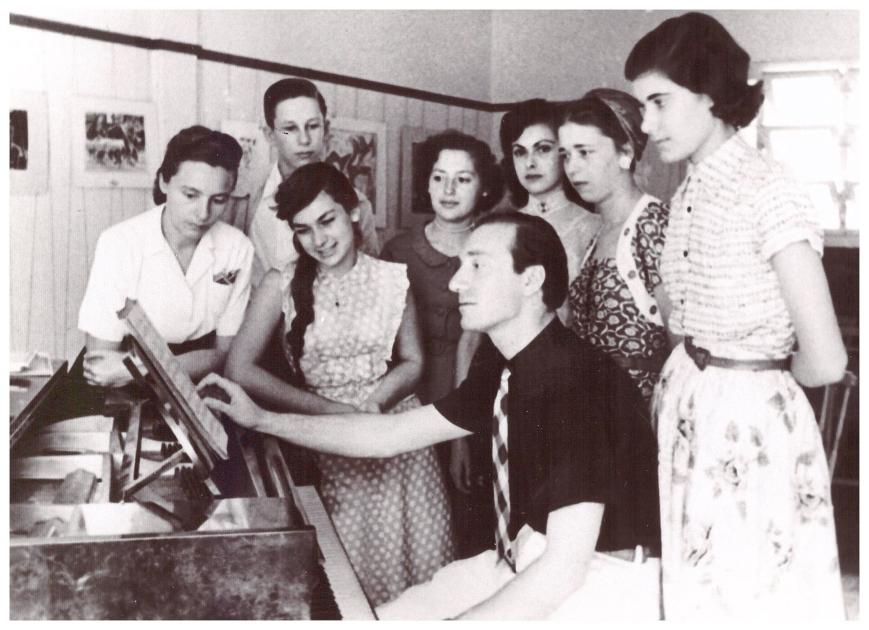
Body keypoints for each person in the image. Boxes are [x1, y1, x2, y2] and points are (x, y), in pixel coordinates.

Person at [203, 212, 661, 620]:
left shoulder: (575, 385)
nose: (457, 282)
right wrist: (261, 418)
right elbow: (389, 434)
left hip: (603, 585)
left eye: (478, 265)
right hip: (525, 556)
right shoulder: (504, 359)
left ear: (531, 279)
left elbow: (564, 571)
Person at [626, 12, 848, 619]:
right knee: (699, 594)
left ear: (708, 93)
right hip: (692, 405)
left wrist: (752, 383)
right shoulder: (689, 189)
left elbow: (826, 359)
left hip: (747, 423)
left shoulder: (767, 189)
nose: (646, 124)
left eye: (659, 103)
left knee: (748, 596)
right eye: (641, 107)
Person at [224, 162, 452, 606]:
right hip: (327, 445)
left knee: (421, 583)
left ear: (351, 210)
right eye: (304, 229)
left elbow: (414, 362)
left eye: (327, 220)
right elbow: (240, 369)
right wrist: (330, 411)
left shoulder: (391, 278)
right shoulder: (282, 283)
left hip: (399, 441)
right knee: (350, 583)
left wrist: (374, 404)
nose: (320, 240)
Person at [381, 129, 503, 558]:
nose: (448, 190)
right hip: (411, 399)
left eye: (463, 179)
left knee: (474, 524)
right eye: (439, 177)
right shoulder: (396, 251)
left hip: (479, 401)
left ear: (484, 185)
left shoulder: (499, 245)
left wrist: (461, 439)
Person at [77, 125, 252, 387]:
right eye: (190, 195)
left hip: (188, 378)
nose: (203, 213)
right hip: (124, 383)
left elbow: (224, 353)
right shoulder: (120, 243)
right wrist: (135, 370)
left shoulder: (237, 248)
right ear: (164, 182)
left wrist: (138, 367)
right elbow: (101, 364)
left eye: (218, 199)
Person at [558, 89, 672, 404]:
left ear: (625, 153)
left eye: (585, 152)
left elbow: (683, 347)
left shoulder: (653, 225)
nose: (572, 168)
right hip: (591, 416)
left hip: (639, 418)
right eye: (566, 155)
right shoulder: (599, 233)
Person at [248, 77, 379, 285]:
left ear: (325, 128)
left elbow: (368, 282)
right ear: (270, 135)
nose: (304, 140)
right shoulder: (245, 201)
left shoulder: (357, 203)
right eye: (289, 129)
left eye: (313, 126)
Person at [499, 98, 601, 323]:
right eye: (519, 152)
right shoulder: (499, 227)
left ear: (564, 153)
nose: (530, 163)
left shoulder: (594, 228)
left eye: (543, 149)